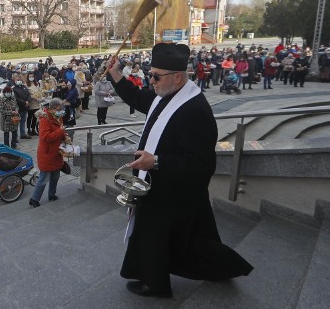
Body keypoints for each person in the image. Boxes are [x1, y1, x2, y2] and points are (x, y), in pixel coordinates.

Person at [106, 43, 253, 298]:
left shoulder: (195, 110)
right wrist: (116, 75)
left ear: (177, 76)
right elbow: (140, 99)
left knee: (158, 238)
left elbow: (201, 164)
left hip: (175, 191)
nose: (150, 81)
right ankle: (224, 267)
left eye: (155, 76)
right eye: (149, 74)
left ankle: (156, 285)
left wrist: (156, 161)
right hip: (163, 185)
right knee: (190, 240)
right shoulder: (168, 92)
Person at [29, 98, 67, 207]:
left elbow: (60, 131)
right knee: (43, 178)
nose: (61, 111)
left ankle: (52, 194)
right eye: (59, 109)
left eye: (62, 109)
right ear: (52, 109)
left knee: (55, 176)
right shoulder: (45, 120)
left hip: (56, 152)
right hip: (47, 154)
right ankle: (34, 199)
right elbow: (45, 137)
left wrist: (65, 137)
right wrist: (60, 131)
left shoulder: (58, 117)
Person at [13, 75, 31, 140]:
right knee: (16, 123)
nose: (19, 81)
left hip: (25, 107)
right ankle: (15, 137)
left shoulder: (24, 87)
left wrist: (28, 101)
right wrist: (24, 102)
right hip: (19, 108)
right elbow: (16, 98)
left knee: (23, 121)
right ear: (15, 81)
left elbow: (28, 95)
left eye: (20, 80)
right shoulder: (14, 89)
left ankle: (22, 134)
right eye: (17, 80)